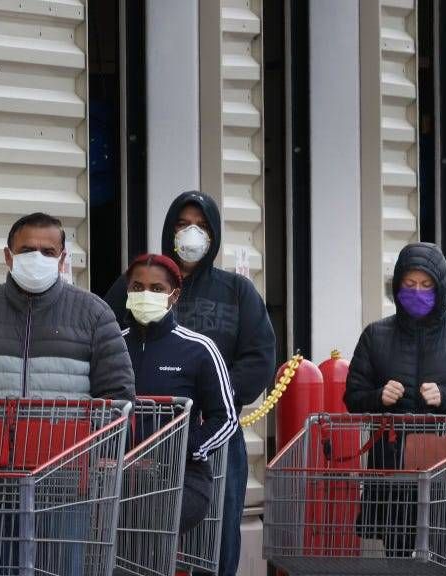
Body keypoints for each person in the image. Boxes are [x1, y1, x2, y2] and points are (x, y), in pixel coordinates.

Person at [0, 212, 134, 574]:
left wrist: (94, 456)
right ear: (8, 256)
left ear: (63, 259)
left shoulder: (93, 314)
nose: (38, 258)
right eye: (27, 250)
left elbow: (118, 395)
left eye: (48, 252)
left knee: (59, 568)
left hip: (63, 480)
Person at [104, 191, 276, 576]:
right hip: (144, 441)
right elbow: (106, 341)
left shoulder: (237, 291)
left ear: (213, 235)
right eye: (182, 224)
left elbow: (260, 356)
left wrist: (216, 396)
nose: (190, 232)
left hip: (212, 433)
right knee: (138, 535)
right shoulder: (137, 283)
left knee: (217, 535)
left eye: (200, 225)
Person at [344, 242, 446, 556]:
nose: (417, 292)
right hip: (393, 469)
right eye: (410, 284)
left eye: (426, 285)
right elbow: (353, 396)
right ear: (397, 285)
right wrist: (378, 397)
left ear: (440, 288)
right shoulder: (376, 335)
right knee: (399, 554)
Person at [121, 253, 238, 533]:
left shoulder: (199, 349)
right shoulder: (114, 345)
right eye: (137, 287)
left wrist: (187, 449)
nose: (145, 294)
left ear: (173, 295)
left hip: (182, 478)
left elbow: (226, 418)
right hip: (120, 476)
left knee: (150, 516)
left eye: (156, 288)